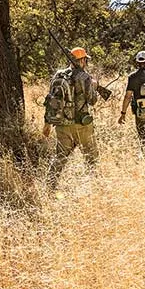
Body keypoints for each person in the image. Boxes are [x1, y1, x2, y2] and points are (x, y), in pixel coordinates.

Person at [43, 46, 100, 188]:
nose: (86, 62)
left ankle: (49, 186)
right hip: (82, 125)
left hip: (62, 124)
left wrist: (47, 123)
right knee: (91, 158)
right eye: (85, 60)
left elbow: (51, 100)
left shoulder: (58, 75)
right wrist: (94, 86)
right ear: (82, 60)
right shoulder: (84, 77)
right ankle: (93, 186)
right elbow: (93, 100)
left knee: (60, 157)